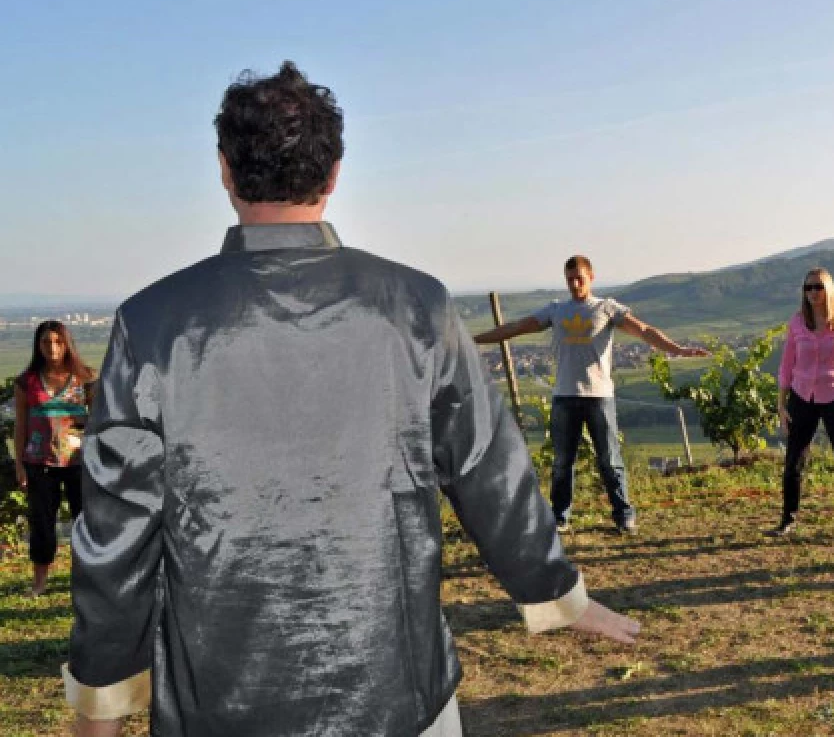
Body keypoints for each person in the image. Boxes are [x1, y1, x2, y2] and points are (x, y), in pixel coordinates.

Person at [64, 62, 639, 737]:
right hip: (396, 688)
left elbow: (115, 537)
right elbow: (489, 470)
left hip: (221, 698)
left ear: (223, 170)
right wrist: (557, 593)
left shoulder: (151, 323)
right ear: (334, 172)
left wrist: (99, 703)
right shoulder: (416, 305)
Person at [474, 256, 707, 535]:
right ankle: (559, 517)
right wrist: (474, 339)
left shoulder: (606, 308)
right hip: (564, 396)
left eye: (579, 278)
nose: (574, 284)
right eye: (570, 279)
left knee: (610, 459)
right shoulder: (555, 310)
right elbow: (517, 327)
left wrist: (677, 349)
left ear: (591, 278)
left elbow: (643, 330)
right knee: (562, 462)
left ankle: (624, 515)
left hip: (599, 396)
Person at [771, 267, 834, 545]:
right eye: (808, 288)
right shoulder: (796, 323)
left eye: (817, 287)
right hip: (802, 397)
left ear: (829, 289)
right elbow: (786, 366)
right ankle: (787, 520)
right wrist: (782, 405)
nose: (812, 293)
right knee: (793, 463)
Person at [10, 320, 94, 596]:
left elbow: (101, 420)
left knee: (86, 522)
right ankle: (39, 583)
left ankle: (88, 580)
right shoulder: (27, 382)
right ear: (38, 345)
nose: (52, 348)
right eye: (46, 342)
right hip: (39, 463)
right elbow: (20, 426)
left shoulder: (86, 379)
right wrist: (19, 463)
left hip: (80, 463)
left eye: (58, 341)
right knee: (42, 523)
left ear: (67, 343)